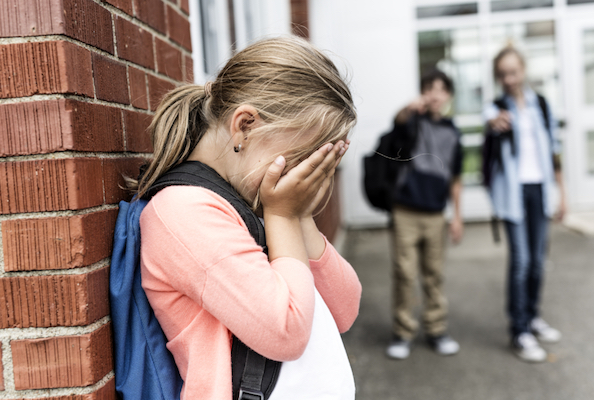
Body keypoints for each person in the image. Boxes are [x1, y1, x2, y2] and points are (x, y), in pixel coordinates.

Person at [132, 37, 362, 399]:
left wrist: (300, 215)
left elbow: (344, 309)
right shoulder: (183, 212)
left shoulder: (260, 199)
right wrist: (284, 215)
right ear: (245, 125)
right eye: (301, 155)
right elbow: (285, 332)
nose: (305, 174)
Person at [484, 46, 566, 363]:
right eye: (502, 73)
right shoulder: (496, 108)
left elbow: (554, 150)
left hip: (539, 190)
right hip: (513, 194)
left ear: (523, 70)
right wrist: (496, 122)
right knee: (521, 262)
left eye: (513, 71)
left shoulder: (541, 105)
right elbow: (490, 120)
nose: (509, 78)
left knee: (537, 262)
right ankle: (519, 331)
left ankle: (532, 317)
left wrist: (563, 193)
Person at [385, 69, 463, 360]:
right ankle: (402, 333)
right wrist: (407, 109)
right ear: (422, 92)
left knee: (434, 274)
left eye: (442, 89)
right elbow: (396, 129)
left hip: (435, 214)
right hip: (405, 210)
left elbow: (456, 178)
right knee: (404, 274)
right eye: (430, 88)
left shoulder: (453, 132)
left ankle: (436, 329)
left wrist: (457, 217)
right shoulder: (411, 121)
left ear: (449, 96)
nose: (435, 94)